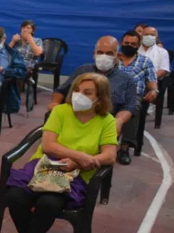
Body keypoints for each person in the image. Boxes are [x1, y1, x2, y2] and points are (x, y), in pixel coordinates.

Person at [0, 73, 117, 233]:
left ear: (100, 98)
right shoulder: (61, 111)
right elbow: (48, 145)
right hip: (43, 166)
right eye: (77, 90)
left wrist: (78, 163)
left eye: (87, 92)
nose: (79, 95)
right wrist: (79, 156)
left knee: (49, 203)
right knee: (15, 196)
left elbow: (109, 155)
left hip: (76, 175)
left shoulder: (107, 121)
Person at [48, 36, 137, 165]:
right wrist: (55, 103)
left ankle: (123, 149)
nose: (104, 56)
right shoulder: (82, 70)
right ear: (94, 54)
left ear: (117, 56)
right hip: (75, 117)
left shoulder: (126, 79)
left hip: (104, 122)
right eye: (100, 52)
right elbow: (62, 90)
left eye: (109, 53)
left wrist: (119, 120)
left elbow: (129, 105)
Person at [116, 31, 158, 165]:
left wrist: (154, 90)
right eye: (126, 43)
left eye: (133, 44)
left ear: (138, 45)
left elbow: (151, 80)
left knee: (133, 108)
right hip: (112, 93)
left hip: (133, 95)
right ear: (121, 43)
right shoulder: (113, 59)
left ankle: (124, 148)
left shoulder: (145, 61)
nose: (129, 46)